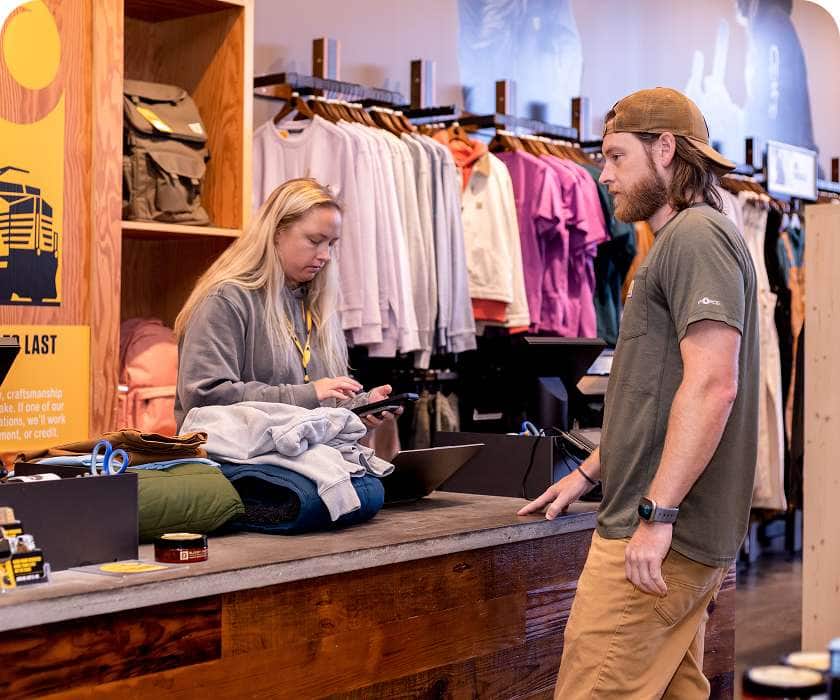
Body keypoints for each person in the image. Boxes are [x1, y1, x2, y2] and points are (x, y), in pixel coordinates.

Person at [519, 88, 759, 699]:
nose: (604, 176)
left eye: (616, 157)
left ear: (665, 150)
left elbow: (712, 385)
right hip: (669, 528)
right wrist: (593, 469)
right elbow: (660, 395)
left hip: (657, 536)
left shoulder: (696, 237)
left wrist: (658, 516)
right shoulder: (686, 238)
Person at [174, 177, 398, 435]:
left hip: (300, 457)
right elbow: (204, 399)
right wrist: (308, 394)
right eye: (315, 241)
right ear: (277, 233)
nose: (325, 255)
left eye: (331, 244)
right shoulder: (225, 300)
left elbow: (315, 406)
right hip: (240, 464)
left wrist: (359, 407)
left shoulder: (314, 303)